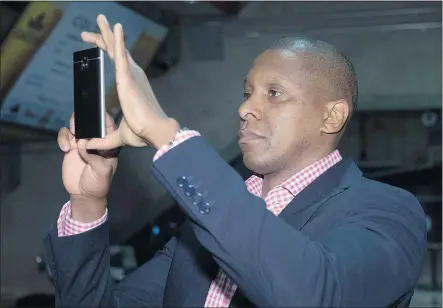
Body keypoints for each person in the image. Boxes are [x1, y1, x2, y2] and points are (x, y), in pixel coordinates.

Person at [44, 15, 427, 307]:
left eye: (274, 93)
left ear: (332, 116)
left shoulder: (385, 210)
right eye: (247, 93)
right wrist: (88, 204)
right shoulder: (202, 228)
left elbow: (316, 292)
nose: (246, 107)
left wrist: (165, 134)